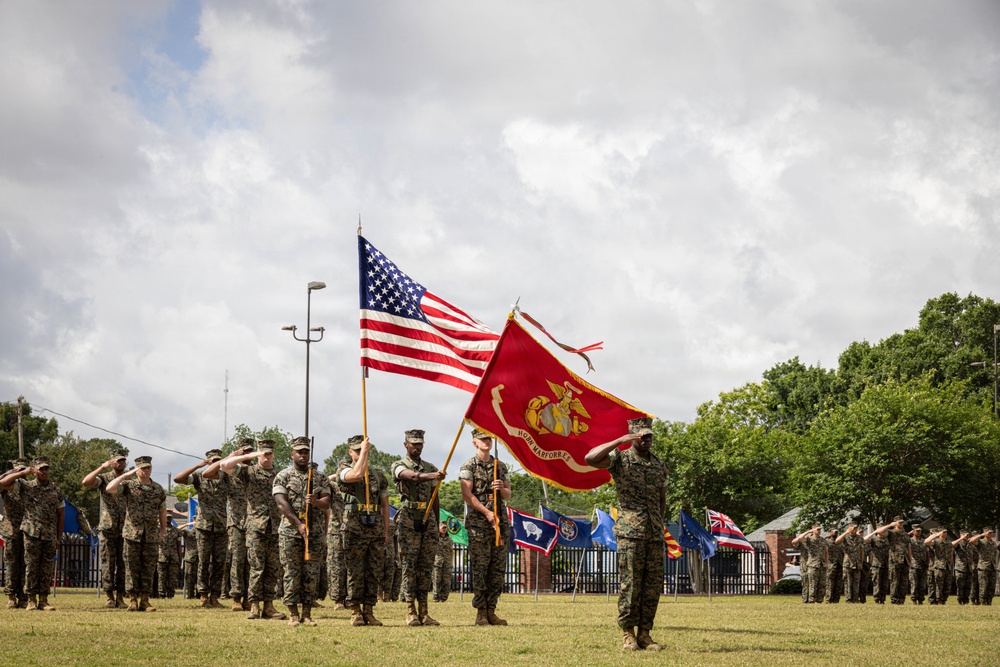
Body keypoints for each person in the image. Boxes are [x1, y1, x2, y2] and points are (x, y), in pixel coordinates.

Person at [585, 418, 666, 651]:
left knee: (651, 587)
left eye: (650, 435)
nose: (648, 439)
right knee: (630, 585)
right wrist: (618, 441)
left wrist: (659, 524)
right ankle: (628, 634)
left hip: (653, 533)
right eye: (643, 435)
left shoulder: (659, 465)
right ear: (633, 436)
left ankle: (645, 635)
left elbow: (662, 498)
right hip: (630, 532)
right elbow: (590, 458)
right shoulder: (621, 459)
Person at [220, 439, 286, 620]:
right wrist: (249, 455)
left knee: (273, 568)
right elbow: (225, 465)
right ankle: (254, 605)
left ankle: (269, 606)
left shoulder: (280, 476)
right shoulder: (249, 472)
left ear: (273, 455)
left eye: (269, 453)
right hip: (256, 527)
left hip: (275, 527)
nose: (266, 456)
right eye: (263, 453)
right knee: (256, 567)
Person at [391, 429, 447, 626]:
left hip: (428, 519)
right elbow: (412, 477)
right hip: (408, 518)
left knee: (425, 567)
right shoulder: (399, 465)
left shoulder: (430, 466)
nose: (417, 447)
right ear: (406, 444)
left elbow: (435, 497)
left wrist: (436, 521)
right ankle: (410, 611)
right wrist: (434, 474)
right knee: (409, 566)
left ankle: (424, 611)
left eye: (420, 444)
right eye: (413, 444)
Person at [274, 436, 331, 626]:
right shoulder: (283, 476)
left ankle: (307, 613)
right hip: (291, 531)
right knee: (291, 572)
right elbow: (281, 503)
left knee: (311, 573)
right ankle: (292, 613)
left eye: (306, 452)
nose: (303, 455)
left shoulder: (319, 477)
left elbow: (326, 502)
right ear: (292, 454)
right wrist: (298, 523)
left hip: (314, 531)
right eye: (299, 452)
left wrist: (315, 502)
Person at [461, 429, 512, 629]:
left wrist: (502, 488)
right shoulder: (469, 466)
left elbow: (508, 495)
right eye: (482, 439)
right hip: (479, 522)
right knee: (480, 567)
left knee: (497, 568)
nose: (487, 442)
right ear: (475, 442)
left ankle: (492, 610)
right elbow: (467, 495)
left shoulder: (501, 466)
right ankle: (480, 612)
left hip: (500, 522)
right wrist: (487, 513)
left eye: (489, 438)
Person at [337, 435, 390, 627]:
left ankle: (369, 610)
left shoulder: (378, 475)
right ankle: (355, 611)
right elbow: (356, 475)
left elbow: (385, 505)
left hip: (374, 527)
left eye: (363, 449)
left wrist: (385, 530)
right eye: (357, 450)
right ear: (350, 452)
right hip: (354, 527)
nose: (360, 452)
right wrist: (364, 455)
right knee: (355, 571)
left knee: (373, 571)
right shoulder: (344, 470)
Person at [0, 456, 64, 611]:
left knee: (46, 568)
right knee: (30, 567)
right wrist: (21, 473)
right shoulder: (26, 486)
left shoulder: (56, 491)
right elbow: (2, 483)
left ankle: (43, 600)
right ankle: (30, 600)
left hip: (49, 534)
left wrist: (58, 537)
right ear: (35, 471)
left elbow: (61, 515)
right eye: (41, 469)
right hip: (31, 533)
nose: (44, 471)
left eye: (46, 468)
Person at [106, 455, 167, 611]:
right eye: (143, 468)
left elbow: (162, 511)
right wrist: (126, 475)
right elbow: (109, 489)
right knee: (131, 567)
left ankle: (145, 600)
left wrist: (162, 531)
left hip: (151, 534)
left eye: (148, 468)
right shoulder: (128, 485)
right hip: (132, 533)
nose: (146, 471)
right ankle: (132, 599)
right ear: (137, 469)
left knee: (148, 568)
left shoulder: (158, 489)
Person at [203, 440, 254, 612]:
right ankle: (237, 597)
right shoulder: (230, 471)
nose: (247, 454)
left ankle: (250, 597)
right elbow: (207, 474)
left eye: (250, 451)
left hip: (256, 523)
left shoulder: (256, 470)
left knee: (253, 562)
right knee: (237, 561)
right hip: (237, 522)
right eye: (244, 451)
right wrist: (228, 457)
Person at [174, 449, 229, 608]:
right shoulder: (199, 477)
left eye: (218, 460)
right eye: (213, 461)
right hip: (204, 525)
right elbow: (178, 478)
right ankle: (203, 595)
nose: (215, 463)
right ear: (207, 461)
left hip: (221, 526)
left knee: (219, 562)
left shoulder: (225, 478)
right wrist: (196, 466)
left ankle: (214, 596)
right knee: (204, 561)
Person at [81, 447, 129, 608]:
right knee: (107, 563)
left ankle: (120, 597)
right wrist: (102, 466)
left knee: (123, 564)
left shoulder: (128, 479)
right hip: (108, 527)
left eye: (123, 460)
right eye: (118, 460)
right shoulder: (104, 478)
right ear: (112, 461)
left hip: (125, 528)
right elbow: (86, 482)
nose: (121, 462)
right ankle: (109, 596)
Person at [1, 458, 29, 609]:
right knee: (11, 565)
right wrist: (15, 473)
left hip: (27, 531)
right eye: (18, 469)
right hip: (10, 530)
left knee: (25, 565)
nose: (22, 473)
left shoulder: (29, 486)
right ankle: (11, 597)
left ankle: (23, 597)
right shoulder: (7, 485)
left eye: (24, 470)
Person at [871, 518, 910, 604]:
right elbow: (879, 530)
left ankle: (901, 600)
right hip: (895, 560)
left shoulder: (905, 534)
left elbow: (908, 547)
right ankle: (894, 600)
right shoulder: (891, 532)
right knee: (895, 581)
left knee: (903, 582)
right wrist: (890, 525)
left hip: (905, 560)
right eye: (899, 522)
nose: (901, 524)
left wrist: (910, 560)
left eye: (902, 522)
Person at [792, 525, 827, 604]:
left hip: (817, 564)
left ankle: (817, 600)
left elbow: (825, 551)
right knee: (806, 583)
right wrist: (807, 532)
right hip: (806, 565)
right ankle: (806, 600)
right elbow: (794, 542)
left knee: (818, 583)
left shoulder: (817, 541)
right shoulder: (804, 542)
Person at [157, 506, 186, 598]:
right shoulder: (158, 530)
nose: (168, 519)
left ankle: (170, 595)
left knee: (172, 578)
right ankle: (161, 594)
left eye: (170, 517)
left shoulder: (176, 531)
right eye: (167, 517)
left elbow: (178, 546)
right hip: (161, 557)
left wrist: (180, 559)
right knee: (161, 578)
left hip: (173, 558)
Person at [835, 523, 864, 603]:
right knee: (847, 582)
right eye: (853, 528)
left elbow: (862, 551)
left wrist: (861, 562)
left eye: (856, 528)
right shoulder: (845, 537)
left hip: (857, 563)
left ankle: (855, 599)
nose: (855, 529)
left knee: (856, 583)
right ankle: (848, 599)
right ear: (849, 528)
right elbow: (837, 541)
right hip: (848, 563)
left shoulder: (859, 538)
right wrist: (846, 532)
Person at [969, 527, 997, 606]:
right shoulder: (981, 542)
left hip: (993, 567)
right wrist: (981, 535)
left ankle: (989, 603)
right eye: (989, 533)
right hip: (983, 567)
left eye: (991, 533)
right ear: (985, 533)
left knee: (991, 587)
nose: (990, 534)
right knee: (983, 587)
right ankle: (982, 603)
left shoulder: (993, 543)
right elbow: (971, 541)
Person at [924, 529, 952, 605]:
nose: (945, 533)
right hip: (938, 566)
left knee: (947, 585)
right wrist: (935, 535)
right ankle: (937, 600)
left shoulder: (948, 543)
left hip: (947, 566)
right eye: (943, 532)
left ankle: (943, 600)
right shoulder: (935, 542)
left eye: (946, 532)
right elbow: (926, 542)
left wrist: (950, 563)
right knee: (937, 584)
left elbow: (950, 554)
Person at [864, 528, 889, 603]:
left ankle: (882, 599)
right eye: (882, 530)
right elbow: (864, 540)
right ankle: (877, 599)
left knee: (884, 583)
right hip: (877, 564)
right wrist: (873, 532)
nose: (884, 531)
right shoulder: (873, 539)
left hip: (886, 564)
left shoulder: (887, 539)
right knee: (877, 583)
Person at [432, 521, 453, 603]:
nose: (444, 529)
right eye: (442, 528)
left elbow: (451, 551)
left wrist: (451, 562)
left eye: (445, 528)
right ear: (439, 529)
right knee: (436, 580)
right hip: (437, 563)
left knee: (446, 581)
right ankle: (436, 598)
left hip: (447, 563)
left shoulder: (449, 539)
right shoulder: (435, 539)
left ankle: (444, 598)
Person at [953, 529, 975, 605]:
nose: (966, 536)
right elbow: (951, 545)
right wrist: (961, 538)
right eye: (965, 535)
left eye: (967, 535)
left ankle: (966, 601)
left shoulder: (970, 544)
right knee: (960, 586)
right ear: (961, 535)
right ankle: (959, 601)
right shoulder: (958, 544)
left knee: (968, 586)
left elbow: (971, 555)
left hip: (969, 568)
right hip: (960, 568)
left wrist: (971, 565)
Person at [908, 525, 929, 604]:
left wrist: (927, 563)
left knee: (922, 584)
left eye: (920, 531)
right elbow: (900, 539)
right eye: (917, 531)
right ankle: (914, 600)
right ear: (913, 532)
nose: (919, 532)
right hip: (913, 565)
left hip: (923, 565)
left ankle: (921, 600)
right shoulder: (910, 541)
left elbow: (927, 553)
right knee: (914, 583)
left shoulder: (924, 541)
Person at [824, 529, 844, 603]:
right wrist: (827, 536)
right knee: (829, 584)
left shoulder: (840, 542)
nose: (835, 533)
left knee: (838, 584)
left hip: (839, 565)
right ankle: (828, 600)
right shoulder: (827, 542)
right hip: (831, 565)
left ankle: (836, 600)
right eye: (834, 532)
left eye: (836, 532)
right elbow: (819, 541)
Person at [180, 520, 199, 599]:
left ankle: (199, 595)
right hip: (190, 558)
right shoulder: (188, 533)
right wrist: (187, 524)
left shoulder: (203, 534)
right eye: (195, 523)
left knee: (200, 577)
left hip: (200, 559)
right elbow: (176, 529)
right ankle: (190, 595)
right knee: (189, 577)